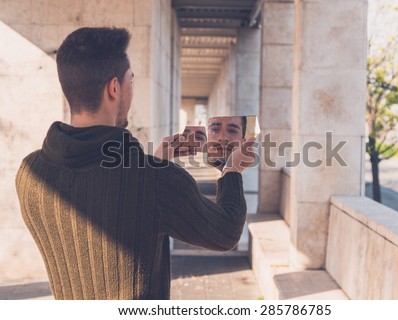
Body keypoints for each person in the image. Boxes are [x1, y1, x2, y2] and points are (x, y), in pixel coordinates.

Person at [15, 27, 255, 300]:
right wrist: (232, 169)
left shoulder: (29, 173)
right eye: (132, 80)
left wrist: (153, 162)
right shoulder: (156, 180)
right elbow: (225, 232)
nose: (132, 87)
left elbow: (108, 204)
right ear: (114, 88)